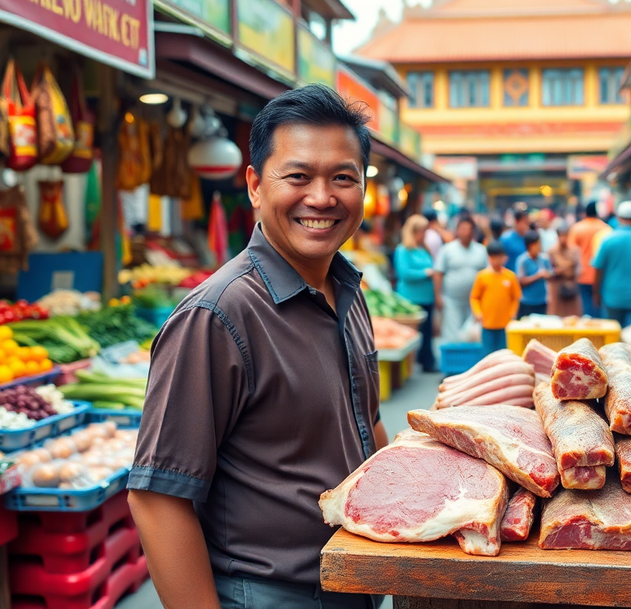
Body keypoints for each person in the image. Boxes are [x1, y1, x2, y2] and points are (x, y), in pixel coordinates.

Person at [128, 85, 385, 609]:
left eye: (343, 178)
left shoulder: (347, 290)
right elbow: (157, 498)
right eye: (298, 176)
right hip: (268, 593)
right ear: (254, 185)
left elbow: (366, 424)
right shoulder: (217, 315)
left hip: (353, 580)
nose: (321, 197)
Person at [592, 200, 631, 328]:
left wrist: (596, 293)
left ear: (618, 217)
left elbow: (598, 270)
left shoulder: (607, 240)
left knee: (612, 343)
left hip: (612, 298)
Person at [433, 217, 488, 343]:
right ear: (457, 230)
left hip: (475, 303)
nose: (467, 232)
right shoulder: (447, 249)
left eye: (470, 229)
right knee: (452, 337)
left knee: (473, 336)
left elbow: (487, 274)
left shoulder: (481, 250)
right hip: (452, 301)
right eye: (463, 229)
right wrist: (438, 296)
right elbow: (438, 273)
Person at [393, 215, 437, 372]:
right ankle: (410, 366)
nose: (425, 234)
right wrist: (425, 273)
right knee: (410, 334)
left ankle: (426, 361)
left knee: (427, 332)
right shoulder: (403, 250)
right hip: (410, 298)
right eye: (423, 231)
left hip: (427, 297)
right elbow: (404, 273)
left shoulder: (424, 249)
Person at [471, 241, 521, 356]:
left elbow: (515, 298)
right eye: (493, 257)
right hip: (487, 323)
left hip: (505, 324)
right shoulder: (482, 276)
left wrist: (512, 314)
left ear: (504, 258)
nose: (496, 261)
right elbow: (474, 297)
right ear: (489, 258)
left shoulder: (510, 276)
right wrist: (477, 312)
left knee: (504, 354)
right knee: (487, 354)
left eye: (499, 257)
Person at [568, 201, 612, 317]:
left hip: (582, 274)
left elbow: (570, 251)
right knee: (600, 304)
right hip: (602, 274)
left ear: (585, 213)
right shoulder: (606, 229)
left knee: (586, 305)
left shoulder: (577, 228)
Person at [547, 223, 582, 317]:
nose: (563, 239)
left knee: (572, 316)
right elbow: (548, 271)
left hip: (571, 286)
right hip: (557, 287)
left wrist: (569, 271)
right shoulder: (552, 251)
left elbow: (579, 269)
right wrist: (557, 272)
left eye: (565, 236)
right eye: (561, 236)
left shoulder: (575, 250)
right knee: (557, 316)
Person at [516, 230, 552, 317]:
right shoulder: (522, 260)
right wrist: (538, 276)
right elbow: (521, 281)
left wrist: (548, 275)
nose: (539, 247)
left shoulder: (544, 259)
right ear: (531, 245)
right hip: (527, 301)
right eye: (537, 244)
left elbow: (550, 273)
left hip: (542, 300)